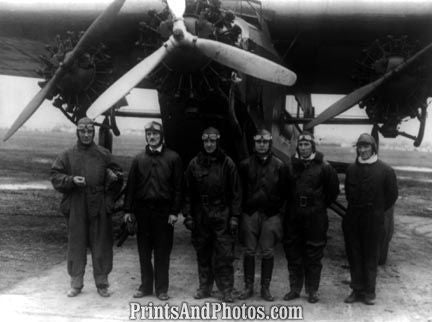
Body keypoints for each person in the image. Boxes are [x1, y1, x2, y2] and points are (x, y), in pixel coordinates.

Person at [51, 117, 123, 298]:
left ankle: (102, 284)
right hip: (76, 204)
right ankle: (76, 284)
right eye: (82, 131)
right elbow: (55, 176)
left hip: (99, 204)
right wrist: (71, 180)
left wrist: (109, 199)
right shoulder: (67, 155)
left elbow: (119, 178)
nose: (86, 134)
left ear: (93, 133)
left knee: (101, 244)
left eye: (89, 131)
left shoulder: (103, 154)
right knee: (76, 243)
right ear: (77, 132)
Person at [123, 121, 182, 301]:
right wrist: (128, 210)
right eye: (148, 134)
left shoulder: (173, 158)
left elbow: (178, 188)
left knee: (162, 252)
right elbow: (131, 187)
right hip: (143, 212)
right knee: (144, 252)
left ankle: (162, 289)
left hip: (164, 213)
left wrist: (174, 211)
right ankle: (146, 286)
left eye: (155, 134)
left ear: (161, 136)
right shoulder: (139, 159)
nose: (152, 137)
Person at [183, 127, 242, 303]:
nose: (209, 145)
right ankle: (204, 287)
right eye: (206, 141)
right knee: (203, 252)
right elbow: (187, 192)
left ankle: (226, 290)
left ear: (217, 142)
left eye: (212, 141)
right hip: (201, 213)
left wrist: (234, 217)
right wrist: (188, 214)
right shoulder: (194, 163)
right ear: (203, 142)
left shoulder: (227, 163)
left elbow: (236, 192)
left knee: (224, 254)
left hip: (222, 213)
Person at [283, 131, 339, 303]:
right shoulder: (290, 166)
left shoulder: (325, 167)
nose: (304, 148)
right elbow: (283, 190)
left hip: (315, 217)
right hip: (294, 216)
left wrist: (318, 206)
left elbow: (332, 192)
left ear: (313, 146)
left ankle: (312, 290)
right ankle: (295, 289)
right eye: (301, 145)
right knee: (293, 253)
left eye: (307, 145)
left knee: (314, 254)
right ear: (297, 147)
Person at [343, 133, 398, 305]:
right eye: (360, 146)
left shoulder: (386, 170)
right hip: (354, 219)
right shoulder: (351, 169)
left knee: (371, 255)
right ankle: (356, 289)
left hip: (373, 220)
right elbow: (349, 193)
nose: (363, 150)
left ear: (373, 148)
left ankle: (369, 292)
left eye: (366, 146)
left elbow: (392, 196)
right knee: (354, 254)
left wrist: (377, 211)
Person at [238, 129, 289, 301]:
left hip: (271, 215)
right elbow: (239, 191)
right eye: (258, 142)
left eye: (265, 142)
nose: (261, 145)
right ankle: (248, 286)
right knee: (249, 251)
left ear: (269, 144)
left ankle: (265, 288)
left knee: (267, 252)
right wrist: (241, 213)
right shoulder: (244, 165)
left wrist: (279, 214)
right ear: (254, 144)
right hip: (250, 214)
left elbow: (285, 192)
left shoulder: (280, 165)